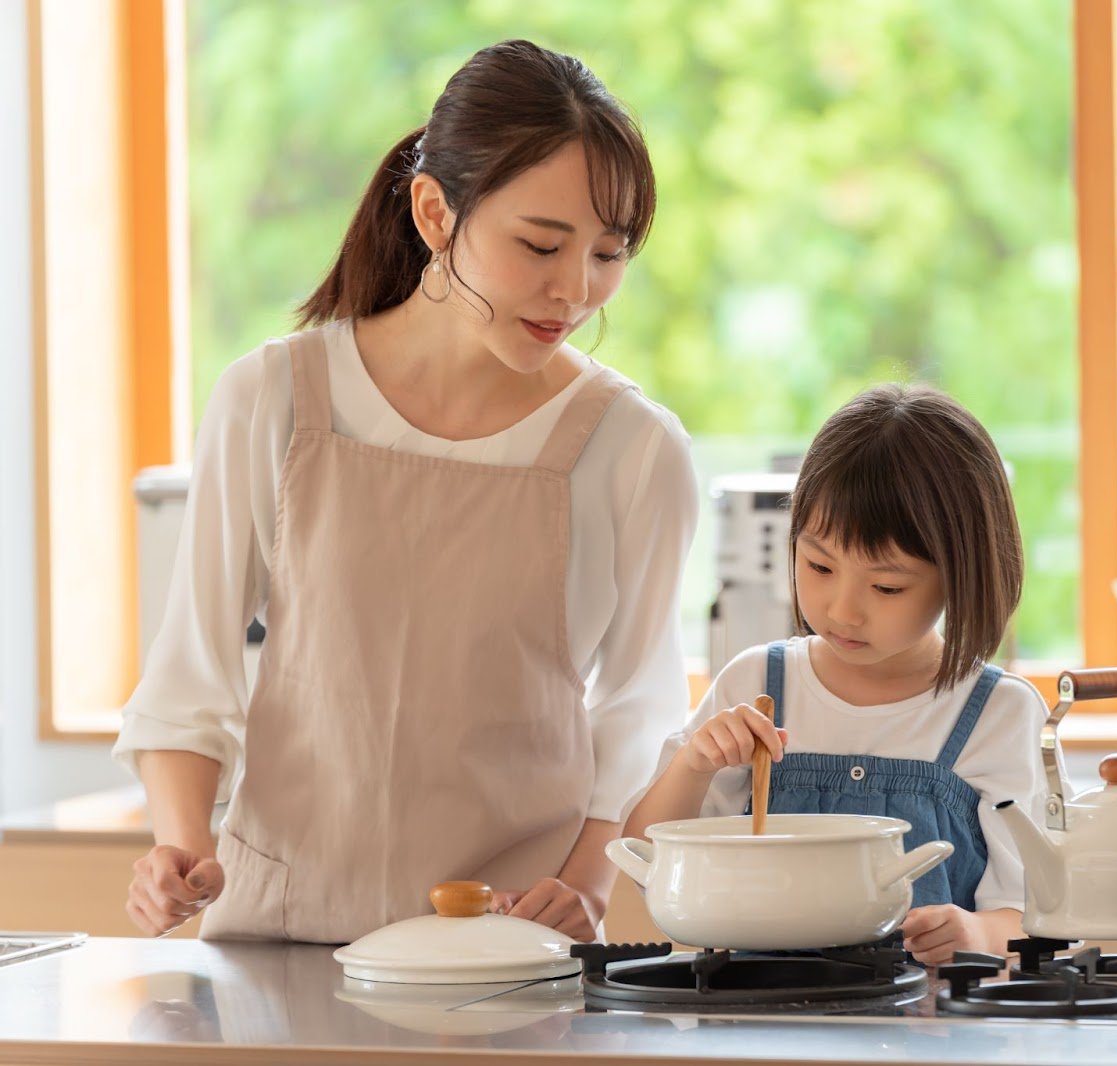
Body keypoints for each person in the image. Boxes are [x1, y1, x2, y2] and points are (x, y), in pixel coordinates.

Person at [114, 40, 697, 944]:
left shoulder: (636, 448)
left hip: (507, 949)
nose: (574, 290)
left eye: (609, 255)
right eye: (540, 244)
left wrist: (586, 883)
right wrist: (180, 851)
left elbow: (641, 710)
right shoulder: (275, 399)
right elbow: (191, 675)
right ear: (435, 212)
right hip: (279, 937)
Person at [624, 384, 1047, 966]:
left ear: (962, 573)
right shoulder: (756, 683)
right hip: (758, 1029)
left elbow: (1035, 915)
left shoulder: (1000, 714)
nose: (843, 610)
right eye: (819, 565)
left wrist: (975, 935)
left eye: (887, 586)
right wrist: (694, 764)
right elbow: (648, 864)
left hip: (929, 1037)